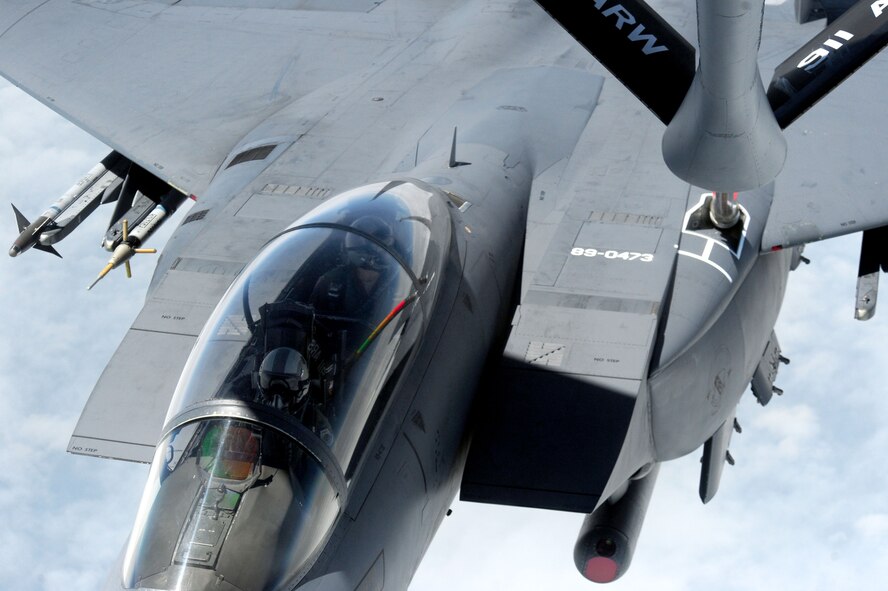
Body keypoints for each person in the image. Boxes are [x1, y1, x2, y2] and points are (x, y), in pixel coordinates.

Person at [310, 215, 397, 328]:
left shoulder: (399, 282)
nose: (384, 250)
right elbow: (311, 324)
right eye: (380, 244)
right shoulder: (330, 283)